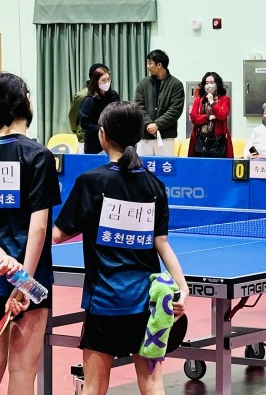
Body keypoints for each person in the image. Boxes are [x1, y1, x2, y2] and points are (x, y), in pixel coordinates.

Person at [53, 101, 189, 394]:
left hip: (105, 302)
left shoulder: (91, 181)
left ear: (102, 135)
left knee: (94, 387)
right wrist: (183, 286)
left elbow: (58, 235)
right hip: (147, 303)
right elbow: (162, 244)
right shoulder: (154, 185)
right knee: (152, 384)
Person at [0, 73, 61, 394]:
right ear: (21, 101)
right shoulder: (38, 156)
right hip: (31, 278)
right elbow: (39, 226)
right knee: (22, 369)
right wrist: (24, 283)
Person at [135, 49, 185, 157]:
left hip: (165, 137)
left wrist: (157, 124)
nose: (148, 66)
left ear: (159, 65)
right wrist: (149, 124)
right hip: (145, 136)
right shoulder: (143, 83)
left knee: (165, 166)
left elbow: (175, 110)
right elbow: (138, 106)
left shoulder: (176, 85)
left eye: (150, 63)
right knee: (143, 166)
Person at [188, 71, 233, 158]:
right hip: (201, 139)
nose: (209, 85)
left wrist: (212, 101)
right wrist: (208, 117)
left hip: (218, 141)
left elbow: (222, 115)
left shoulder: (224, 99)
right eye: (207, 83)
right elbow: (194, 118)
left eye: (212, 82)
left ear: (217, 84)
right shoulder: (199, 99)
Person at [79, 64, 121, 155]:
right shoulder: (89, 100)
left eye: (108, 79)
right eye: (103, 80)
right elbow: (84, 123)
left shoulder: (114, 96)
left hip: (112, 141)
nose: (107, 83)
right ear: (96, 82)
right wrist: (101, 130)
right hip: (94, 144)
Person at [68, 70, 94, 146]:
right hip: (85, 136)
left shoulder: (108, 94)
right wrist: (76, 130)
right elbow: (73, 115)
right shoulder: (82, 96)